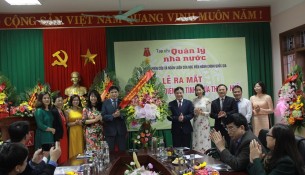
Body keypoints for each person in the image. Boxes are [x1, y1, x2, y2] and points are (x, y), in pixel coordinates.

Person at [102, 86, 127, 152]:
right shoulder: (105, 103)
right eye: (112, 92)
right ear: (109, 94)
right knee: (110, 153)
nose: (114, 94)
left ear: (118, 93)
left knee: (122, 152)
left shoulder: (123, 102)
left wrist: (120, 115)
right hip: (109, 132)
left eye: (115, 92)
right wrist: (112, 116)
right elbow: (103, 116)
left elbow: (127, 114)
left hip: (121, 132)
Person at [192, 84, 211, 153]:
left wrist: (201, 113)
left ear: (203, 90)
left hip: (204, 123)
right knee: (197, 139)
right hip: (196, 122)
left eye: (200, 89)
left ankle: (207, 156)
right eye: (197, 90)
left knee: (205, 139)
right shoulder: (194, 101)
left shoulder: (207, 100)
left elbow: (209, 113)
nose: (198, 91)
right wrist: (196, 112)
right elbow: (192, 113)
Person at [51, 94, 68, 164]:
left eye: (61, 100)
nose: (60, 102)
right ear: (54, 102)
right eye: (58, 101)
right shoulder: (54, 111)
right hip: (58, 135)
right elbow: (54, 124)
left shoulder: (62, 111)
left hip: (64, 134)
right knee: (59, 153)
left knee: (64, 151)